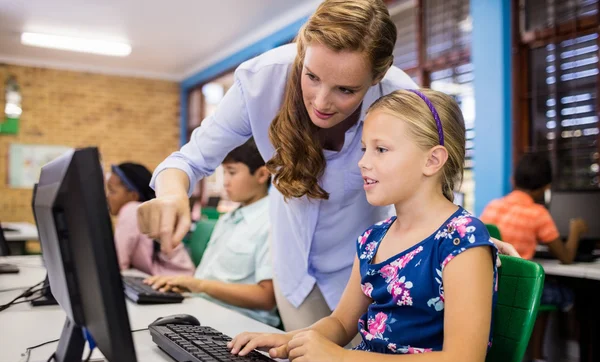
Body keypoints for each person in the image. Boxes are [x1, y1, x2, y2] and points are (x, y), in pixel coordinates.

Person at [137, 0, 517, 331]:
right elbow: (187, 161)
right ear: (302, 52)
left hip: (362, 265)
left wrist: (458, 236)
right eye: (312, 77)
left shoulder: (401, 99)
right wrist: (172, 196)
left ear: (376, 78)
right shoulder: (261, 81)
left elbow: (430, 177)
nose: (321, 101)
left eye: (346, 90)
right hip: (293, 266)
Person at [228, 89, 498, 362]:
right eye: (364, 149)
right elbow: (342, 322)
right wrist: (288, 342)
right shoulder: (374, 239)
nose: (363, 163)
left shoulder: (461, 242)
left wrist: (340, 359)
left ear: (432, 160)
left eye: (381, 150)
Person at [480, 152, 588, 362]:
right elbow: (566, 257)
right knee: (567, 295)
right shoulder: (538, 213)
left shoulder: (493, 206)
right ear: (545, 188)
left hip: (492, 286)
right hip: (518, 289)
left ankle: (536, 357)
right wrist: (577, 230)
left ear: (513, 181)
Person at [143, 139, 279, 327]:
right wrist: (187, 285)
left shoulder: (272, 221)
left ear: (262, 174)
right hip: (205, 308)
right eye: (224, 173)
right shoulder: (228, 218)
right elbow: (208, 277)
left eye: (232, 172)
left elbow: (266, 298)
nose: (226, 182)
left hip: (242, 321)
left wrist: (199, 285)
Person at [107, 163, 195, 276]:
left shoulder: (131, 209)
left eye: (112, 191)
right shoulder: (142, 212)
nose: (107, 196)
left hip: (176, 283)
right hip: (181, 278)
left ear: (133, 196)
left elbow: (117, 263)